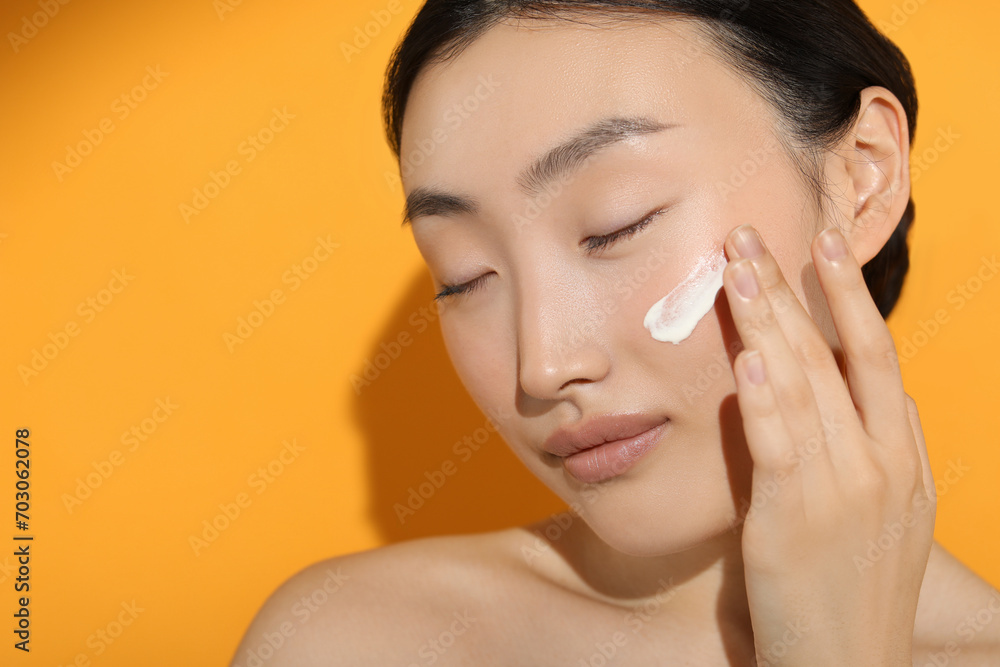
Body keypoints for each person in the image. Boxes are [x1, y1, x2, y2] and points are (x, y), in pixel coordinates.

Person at [231, 1, 1000, 664]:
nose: (544, 363)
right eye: (462, 276)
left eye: (616, 223)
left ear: (861, 178)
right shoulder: (356, 642)